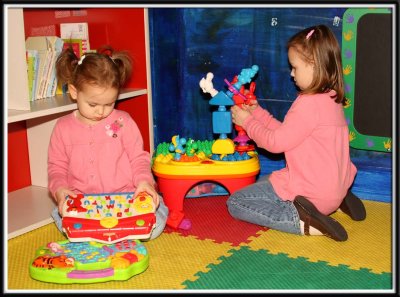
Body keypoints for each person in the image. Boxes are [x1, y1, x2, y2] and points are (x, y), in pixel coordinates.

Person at [227, 25, 366, 242]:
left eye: (295, 67)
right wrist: (257, 112)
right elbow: (288, 134)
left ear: (314, 65)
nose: (291, 74)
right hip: (333, 185)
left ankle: (306, 221)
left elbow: (275, 143)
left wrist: (248, 122)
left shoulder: (308, 104)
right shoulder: (330, 98)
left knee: (236, 203)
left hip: (314, 194)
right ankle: (339, 199)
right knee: (267, 180)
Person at [48, 46, 168, 239]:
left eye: (110, 104)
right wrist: (61, 190)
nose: (101, 112)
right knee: (62, 218)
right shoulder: (62, 128)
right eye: (93, 104)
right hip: (84, 202)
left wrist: (144, 182)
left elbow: (138, 158)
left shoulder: (124, 122)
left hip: (127, 197)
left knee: (155, 222)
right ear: (73, 91)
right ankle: (108, 232)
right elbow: (57, 168)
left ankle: (108, 232)